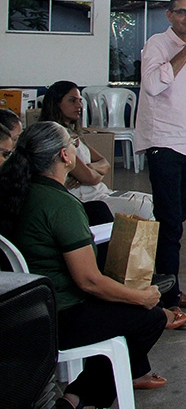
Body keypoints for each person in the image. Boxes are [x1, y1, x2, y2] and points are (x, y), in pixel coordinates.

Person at [0, 122, 170, 408]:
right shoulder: (58, 204)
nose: (74, 146)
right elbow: (88, 281)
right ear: (65, 156)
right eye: (71, 142)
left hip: (27, 311)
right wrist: (142, 297)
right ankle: (77, 397)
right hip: (60, 315)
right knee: (151, 318)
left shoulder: (20, 190)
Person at [134, 0, 186, 310]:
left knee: (177, 220)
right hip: (164, 143)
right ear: (169, 15)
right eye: (182, 12)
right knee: (169, 223)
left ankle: (165, 287)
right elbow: (152, 85)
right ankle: (167, 298)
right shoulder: (157, 44)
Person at [40, 81, 154, 219]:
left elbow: (104, 163)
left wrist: (88, 169)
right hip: (89, 200)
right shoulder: (57, 137)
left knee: (156, 201)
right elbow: (90, 178)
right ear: (56, 103)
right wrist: (90, 174)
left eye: (80, 101)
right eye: (72, 101)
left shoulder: (74, 134)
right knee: (151, 210)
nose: (79, 106)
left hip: (103, 192)